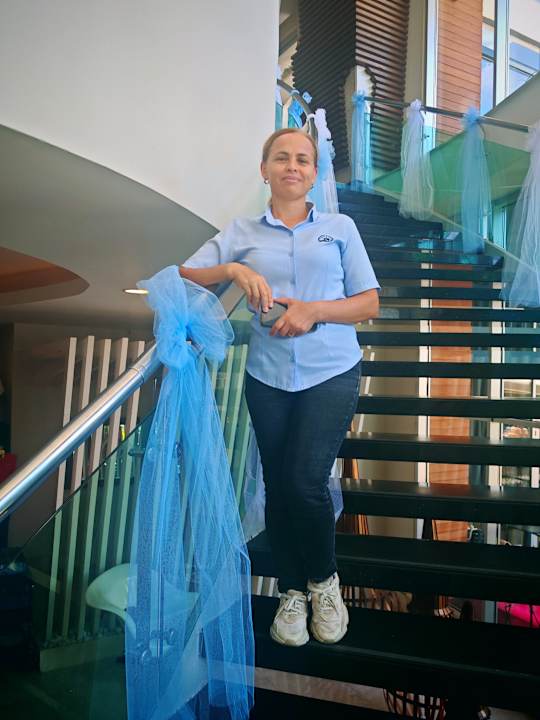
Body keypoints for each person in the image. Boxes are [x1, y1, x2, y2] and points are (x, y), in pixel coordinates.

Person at [180, 128, 379, 647]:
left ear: (314, 173)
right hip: (267, 377)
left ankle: (324, 583)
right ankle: (292, 592)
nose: (293, 166)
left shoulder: (340, 227)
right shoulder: (242, 231)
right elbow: (185, 274)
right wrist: (232, 268)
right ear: (264, 169)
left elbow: (368, 303)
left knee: (304, 482)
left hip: (331, 370)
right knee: (276, 483)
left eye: (303, 160)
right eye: (282, 158)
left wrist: (314, 311)